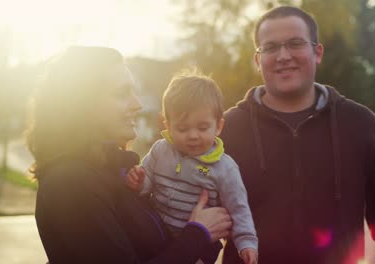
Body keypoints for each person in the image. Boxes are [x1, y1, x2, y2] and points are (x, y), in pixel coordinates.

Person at [220, 6, 375, 264]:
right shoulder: (227, 130)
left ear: (318, 52)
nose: (283, 56)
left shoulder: (361, 124)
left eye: (295, 43)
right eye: (270, 47)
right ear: (258, 60)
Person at [25, 46, 233, 263]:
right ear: (83, 103)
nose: (137, 104)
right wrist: (197, 236)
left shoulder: (114, 171)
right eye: (122, 94)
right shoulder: (69, 182)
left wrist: (203, 236)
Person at [125, 71, 258, 264]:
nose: (193, 135)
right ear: (168, 125)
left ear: (218, 126)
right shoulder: (160, 150)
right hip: (159, 239)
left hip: (201, 248)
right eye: (183, 128)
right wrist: (138, 182)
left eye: (203, 128)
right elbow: (146, 184)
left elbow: (238, 208)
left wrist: (246, 242)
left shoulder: (224, 168)